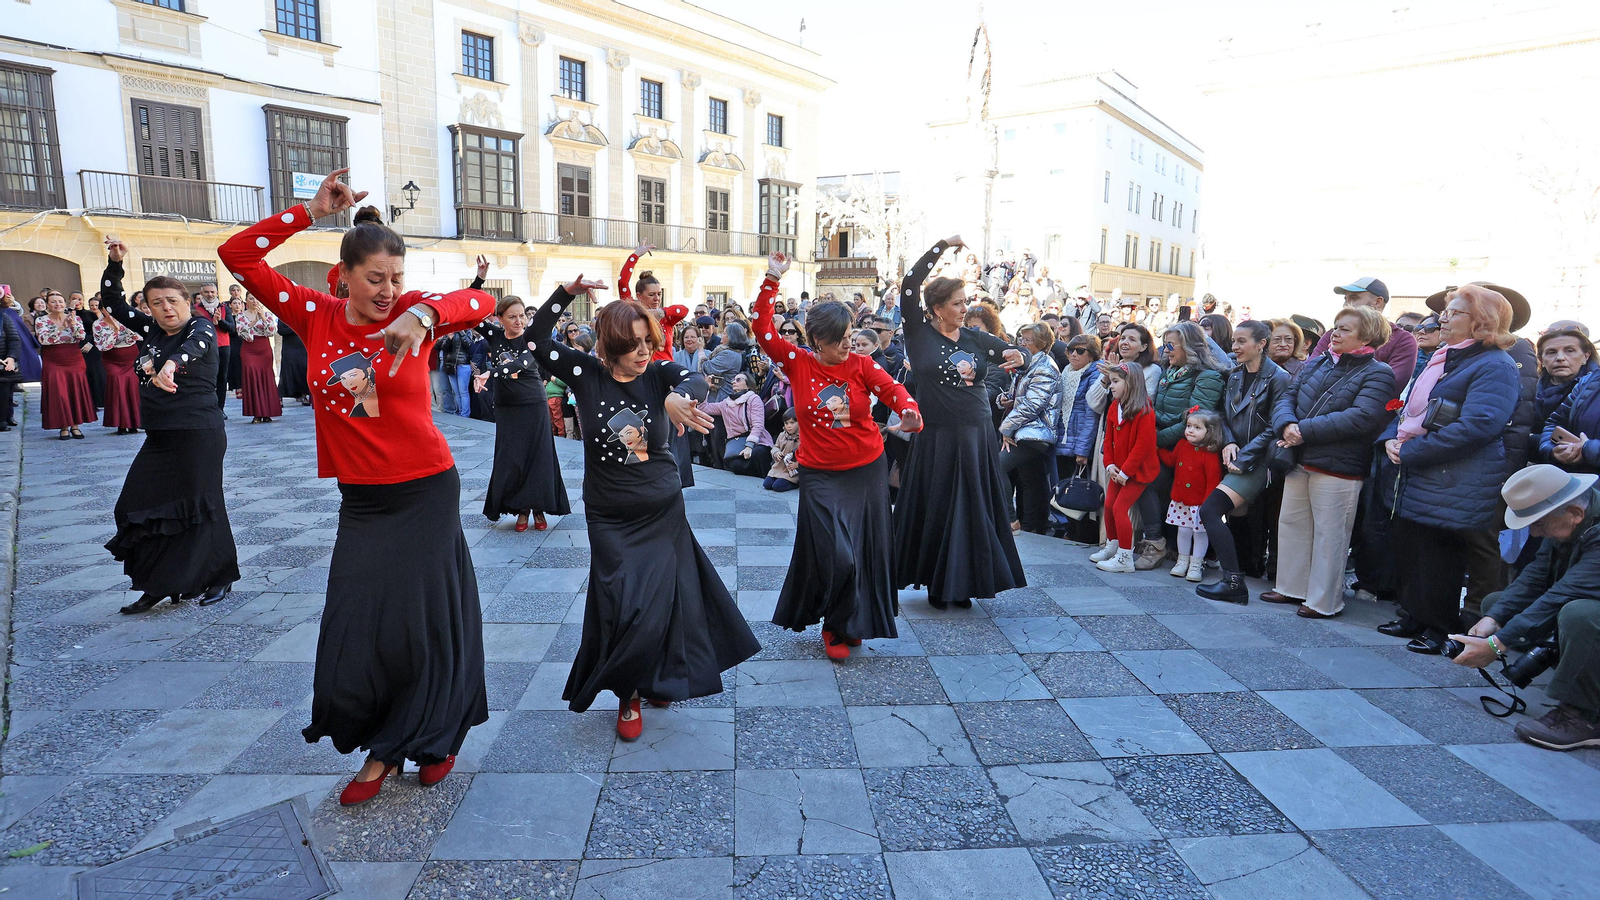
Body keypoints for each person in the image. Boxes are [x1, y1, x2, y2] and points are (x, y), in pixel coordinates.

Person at [219, 170, 493, 805]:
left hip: (426, 488)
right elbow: (236, 256)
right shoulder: (313, 315)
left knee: (424, 621)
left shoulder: (410, 311)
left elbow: (476, 304)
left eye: (396, 277)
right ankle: (383, 740)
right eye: (376, 278)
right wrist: (307, 214)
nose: (387, 290)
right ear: (341, 276)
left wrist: (424, 310)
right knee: (361, 623)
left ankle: (432, 737)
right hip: (364, 500)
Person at [524, 275, 758, 739]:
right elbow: (534, 339)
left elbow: (695, 377)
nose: (642, 351)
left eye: (646, 340)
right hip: (609, 514)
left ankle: (651, 678)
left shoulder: (659, 374)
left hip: (661, 511)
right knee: (622, 602)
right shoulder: (585, 375)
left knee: (661, 600)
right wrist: (565, 294)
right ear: (608, 347)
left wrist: (678, 395)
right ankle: (627, 692)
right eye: (630, 344)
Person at [754, 256, 923, 654]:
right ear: (818, 342)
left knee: (861, 552)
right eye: (841, 339)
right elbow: (762, 327)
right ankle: (835, 618)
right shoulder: (798, 364)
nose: (849, 343)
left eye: (851, 334)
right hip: (820, 474)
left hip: (866, 470)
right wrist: (772, 278)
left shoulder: (862, 365)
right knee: (837, 553)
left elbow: (893, 391)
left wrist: (910, 410)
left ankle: (844, 624)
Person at [1377, 285, 1520, 650]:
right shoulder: (1447, 356)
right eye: (1446, 311)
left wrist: (1411, 450)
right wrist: (1394, 439)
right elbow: (1411, 408)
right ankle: (1414, 616)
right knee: (1414, 547)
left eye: (1455, 312)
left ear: (1481, 322)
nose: (1443, 318)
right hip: (1423, 469)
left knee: (1440, 553)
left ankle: (1438, 627)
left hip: (1455, 474)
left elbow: (1478, 427)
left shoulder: (1494, 364)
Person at [99, 238, 238, 615]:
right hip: (159, 438)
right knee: (141, 505)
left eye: (172, 300)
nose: (165, 308)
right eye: (156, 302)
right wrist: (115, 263)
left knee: (203, 506)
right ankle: (160, 583)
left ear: (186, 302)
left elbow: (190, 349)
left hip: (198, 434)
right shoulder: (151, 331)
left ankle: (220, 575)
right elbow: (111, 303)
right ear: (149, 307)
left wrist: (170, 366)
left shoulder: (202, 328)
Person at [894, 236, 1025, 608]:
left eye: (965, 301)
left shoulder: (974, 336)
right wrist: (941, 246)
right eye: (957, 303)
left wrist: (1019, 355)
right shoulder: (918, 333)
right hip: (936, 434)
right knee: (937, 506)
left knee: (971, 508)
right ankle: (938, 583)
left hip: (976, 431)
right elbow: (908, 285)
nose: (964, 308)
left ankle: (966, 581)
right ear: (936, 308)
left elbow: (1017, 354)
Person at [1449, 465, 1600, 750]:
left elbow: (1563, 593)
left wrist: (1497, 645)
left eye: (1539, 523)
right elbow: (1536, 576)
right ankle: (1576, 669)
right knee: (1497, 604)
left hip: (1585, 607)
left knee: (1579, 616)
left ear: (1575, 514)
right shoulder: (1571, 520)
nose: (1533, 532)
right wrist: (1493, 619)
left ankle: (1584, 716)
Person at [1260, 307, 1396, 617]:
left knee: (1330, 534)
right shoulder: (1317, 363)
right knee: (1292, 524)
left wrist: (1302, 431)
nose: (1335, 333)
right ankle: (1291, 588)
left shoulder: (1378, 372)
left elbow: (1362, 417)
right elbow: (1287, 397)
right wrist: (1287, 425)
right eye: (1336, 327)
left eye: (1345, 329)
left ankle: (1324, 601)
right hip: (1300, 457)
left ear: (1368, 335)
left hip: (1339, 465)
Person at [1195, 320, 1292, 603]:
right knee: (1235, 517)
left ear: (1261, 344)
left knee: (1211, 510)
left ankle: (1233, 582)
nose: (1234, 347)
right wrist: (1229, 443)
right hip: (1236, 454)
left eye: (1241, 341)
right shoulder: (1235, 375)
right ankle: (1237, 577)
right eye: (1234, 341)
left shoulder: (1279, 378)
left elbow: (1277, 425)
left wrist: (1245, 455)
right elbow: (1224, 415)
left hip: (1259, 460)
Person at [1133, 321, 1228, 569]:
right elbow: (1162, 413)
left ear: (1190, 347)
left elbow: (1192, 420)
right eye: (1164, 345)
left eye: (1171, 345)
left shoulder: (1208, 377)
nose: (1165, 350)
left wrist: (1153, 440)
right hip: (1168, 446)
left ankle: (1161, 546)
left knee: (1148, 480)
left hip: (1190, 453)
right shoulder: (1170, 372)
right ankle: (1167, 546)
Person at [473, 295, 571, 532]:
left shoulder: (531, 340)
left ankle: (536, 509)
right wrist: (478, 280)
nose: (519, 321)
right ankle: (521, 509)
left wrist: (490, 373)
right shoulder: (494, 336)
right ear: (500, 319)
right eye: (512, 317)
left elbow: (520, 365)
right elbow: (472, 315)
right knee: (512, 458)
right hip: (507, 408)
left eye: (522, 316)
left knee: (538, 456)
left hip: (533, 404)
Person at [1090, 363, 1159, 572]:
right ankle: (1113, 544)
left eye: (1116, 381)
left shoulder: (1144, 410)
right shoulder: (1114, 406)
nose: (1111, 386)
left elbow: (1143, 446)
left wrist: (1126, 472)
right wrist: (1110, 464)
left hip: (1138, 472)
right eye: (1111, 381)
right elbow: (1108, 438)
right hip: (1118, 469)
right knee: (1109, 505)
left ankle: (1125, 557)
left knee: (1120, 508)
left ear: (1131, 383)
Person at [998, 322, 1062, 535]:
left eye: (1027, 340)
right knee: (1031, 480)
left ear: (1042, 343)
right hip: (1025, 430)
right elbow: (1020, 397)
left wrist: (1006, 428)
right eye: (1020, 339)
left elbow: (1033, 404)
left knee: (997, 467)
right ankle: (1033, 526)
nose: (1021, 343)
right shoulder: (1028, 364)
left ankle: (1011, 520)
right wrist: (1005, 400)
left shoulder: (1045, 366)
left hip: (1035, 433)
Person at [1310, 277, 1419, 393]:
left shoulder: (1403, 340)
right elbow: (1309, 373)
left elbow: (1390, 386)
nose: (1346, 304)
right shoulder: (1332, 334)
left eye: (1353, 298)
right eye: (1345, 299)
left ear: (1377, 302)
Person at [1160, 408, 1225, 581]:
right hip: (1182, 499)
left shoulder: (1210, 453)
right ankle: (1182, 561)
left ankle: (1196, 564)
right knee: (1183, 531)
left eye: (1197, 428)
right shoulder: (1182, 444)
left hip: (1200, 503)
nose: (1190, 430)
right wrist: (1157, 448)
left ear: (1209, 431)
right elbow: (1171, 460)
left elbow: (1213, 481)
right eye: (1189, 426)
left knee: (1200, 533)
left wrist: (1207, 505)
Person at [35, 290, 95, 440]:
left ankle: (75, 426)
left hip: (73, 358)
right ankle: (63, 426)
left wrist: (73, 324)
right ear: (48, 305)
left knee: (74, 391)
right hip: (53, 359)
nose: (58, 304)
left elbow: (80, 336)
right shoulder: (41, 320)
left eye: (60, 301)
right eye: (53, 302)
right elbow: (44, 339)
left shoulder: (75, 317)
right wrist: (62, 327)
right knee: (59, 392)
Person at [1539, 330, 1600, 475]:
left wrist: (1587, 448)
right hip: (1577, 482)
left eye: (1570, 350)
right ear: (1541, 359)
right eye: (1551, 352)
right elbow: (1555, 422)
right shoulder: (1588, 384)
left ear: (1586, 356)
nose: (1560, 358)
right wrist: (1551, 450)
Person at [702, 371, 774, 478]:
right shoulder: (725, 403)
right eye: (733, 380)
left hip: (758, 442)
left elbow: (758, 424)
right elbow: (704, 408)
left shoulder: (753, 399)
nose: (734, 382)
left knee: (758, 455)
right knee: (736, 465)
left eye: (738, 379)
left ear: (748, 385)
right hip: (736, 445)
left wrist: (749, 446)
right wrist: (706, 387)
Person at [92, 298, 142, 435]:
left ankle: (135, 423)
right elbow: (103, 345)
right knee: (117, 386)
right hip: (112, 358)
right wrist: (114, 330)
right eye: (107, 309)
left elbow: (138, 336)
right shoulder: (98, 324)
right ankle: (120, 423)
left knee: (132, 387)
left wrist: (125, 329)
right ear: (102, 310)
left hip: (130, 356)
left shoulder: (126, 319)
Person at [235, 295, 282, 424]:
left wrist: (263, 318)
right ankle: (256, 413)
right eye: (251, 298)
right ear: (246, 301)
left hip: (264, 348)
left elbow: (272, 331)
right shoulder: (240, 316)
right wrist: (254, 322)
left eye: (256, 298)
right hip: (249, 349)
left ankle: (267, 412)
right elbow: (241, 332)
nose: (254, 301)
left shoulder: (266, 314)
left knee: (266, 377)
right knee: (252, 377)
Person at [192, 284, 234, 411]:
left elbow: (232, 328)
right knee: (205, 377)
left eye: (212, 292)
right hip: (203, 347)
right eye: (206, 292)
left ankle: (219, 409)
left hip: (222, 346)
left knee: (222, 377)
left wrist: (220, 321)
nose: (210, 294)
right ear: (201, 293)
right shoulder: (194, 309)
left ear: (217, 293)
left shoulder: (224, 308)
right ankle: (206, 407)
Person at [0, 302, 24, 431]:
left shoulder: (4, 318)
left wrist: (11, 358)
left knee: (4, 393)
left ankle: (4, 419)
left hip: (2, 366)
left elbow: (14, 339)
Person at [764, 408, 800, 493]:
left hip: (791, 470)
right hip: (779, 467)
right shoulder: (782, 435)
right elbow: (775, 446)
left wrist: (797, 464)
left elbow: (807, 454)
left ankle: (796, 483)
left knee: (778, 487)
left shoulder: (802, 437)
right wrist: (776, 453)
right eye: (786, 423)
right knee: (767, 484)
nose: (788, 426)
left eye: (792, 423)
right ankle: (778, 478)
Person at [278, 315, 311, 406]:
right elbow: (281, 331)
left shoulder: (304, 315)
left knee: (303, 369)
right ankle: (280, 396)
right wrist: (295, 327)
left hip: (302, 346)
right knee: (287, 371)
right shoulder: (283, 315)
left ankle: (304, 394)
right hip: (289, 347)